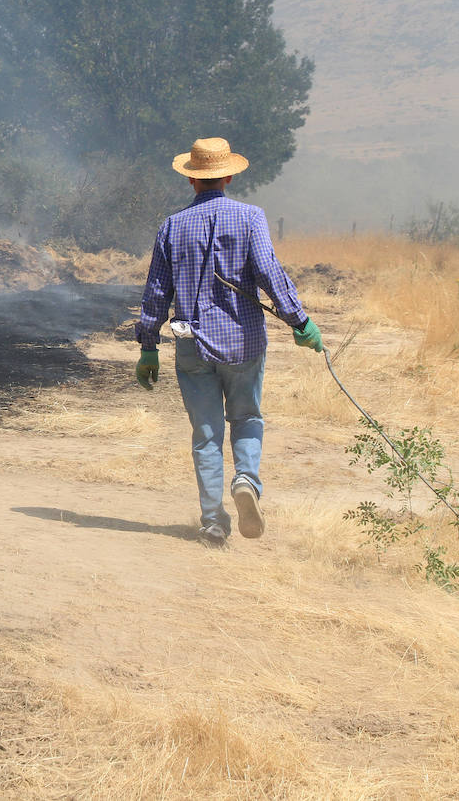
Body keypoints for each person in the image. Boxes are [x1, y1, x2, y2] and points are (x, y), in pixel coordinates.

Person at [134, 137, 322, 547]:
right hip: (244, 342)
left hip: (192, 346)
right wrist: (300, 322)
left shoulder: (171, 226)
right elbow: (271, 275)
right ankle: (246, 481)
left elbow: (156, 293)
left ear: (192, 180)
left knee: (205, 434)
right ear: (230, 175)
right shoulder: (251, 217)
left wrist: (148, 346)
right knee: (247, 418)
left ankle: (213, 522)